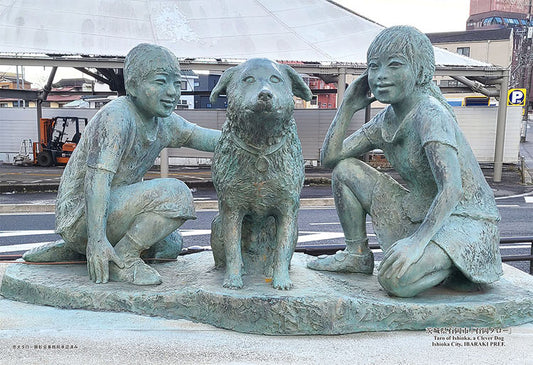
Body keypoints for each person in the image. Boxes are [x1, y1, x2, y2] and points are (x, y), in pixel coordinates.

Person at [307, 26, 502, 297]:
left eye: (395, 65)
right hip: (420, 211)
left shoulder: (430, 113)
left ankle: (455, 267)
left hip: (463, 221)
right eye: (374, 67)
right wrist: (348, 106)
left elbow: (452, 188)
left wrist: (416, 244)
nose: (381, 76)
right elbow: (330, 159)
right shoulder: (386, 119)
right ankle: (357, 254)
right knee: (345, 170)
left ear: (421, 72)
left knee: (397, 280)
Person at [24, 43, 221, 285]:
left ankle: (78, 250)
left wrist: (255, 136)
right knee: (177, 195)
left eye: (176, 84)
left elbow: (205, 137)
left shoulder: (164, 121)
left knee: (170, 245)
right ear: (133, 86)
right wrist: (96, 240)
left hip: (111, 210)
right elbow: (96, 181)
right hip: (84, 215)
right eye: (160, 82)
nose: (172, 92)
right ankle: (121, 258)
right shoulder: (117, 117)